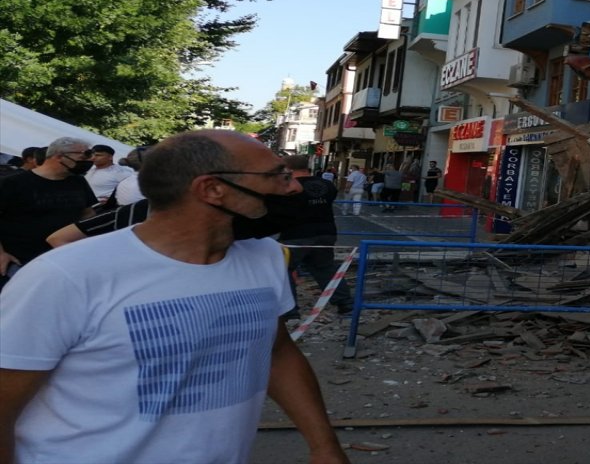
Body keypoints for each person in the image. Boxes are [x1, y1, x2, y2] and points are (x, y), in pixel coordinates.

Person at [0, 130, 349, 464]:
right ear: (213, 188)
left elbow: (276, 352)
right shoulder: (65, 276)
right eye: (278, 175)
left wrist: (325, 447)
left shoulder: (265, 258)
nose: (293, 188)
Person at [0, 137, 97, 279]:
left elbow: (87, 214)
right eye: (85, 155)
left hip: (61, 261)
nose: (90, 160)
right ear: (59, 156)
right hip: (17, 262)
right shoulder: (12, 183)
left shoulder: (78, 182)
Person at [275, 154, 353, 316]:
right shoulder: (327, 185)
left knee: (284, 270)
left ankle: (290, 310)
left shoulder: (287, 185)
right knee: (324, 267)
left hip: (295, 234)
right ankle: (345, 302)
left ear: (288, 169)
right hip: (326, 232)